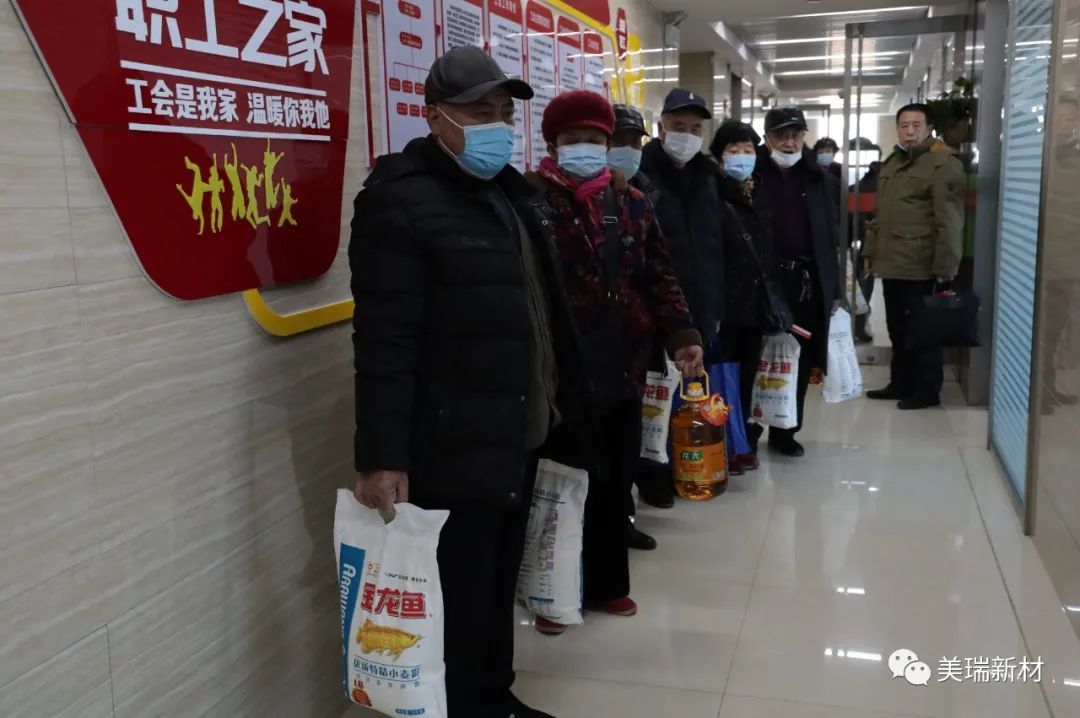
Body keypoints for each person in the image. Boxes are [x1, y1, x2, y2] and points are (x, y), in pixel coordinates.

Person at [349, 46, 588, 718]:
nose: (498, 127)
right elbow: (385, 339)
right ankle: (463, 705)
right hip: (451, 440)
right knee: (459, 587)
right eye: (480, 113)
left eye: (505, 114)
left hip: (517, 425)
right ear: (434, 117)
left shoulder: (510, 195)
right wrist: (381, 455)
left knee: (497, 578)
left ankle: (494, 694)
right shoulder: (397, 203)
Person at [525, 89, 703, 635]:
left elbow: (660, 274)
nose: (585, 148)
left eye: (594, 139)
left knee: (615, 477)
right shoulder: (530, 203)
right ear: (552, 144)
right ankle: (552, 592)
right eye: (572, 139)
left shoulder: (634, 202)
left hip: (624, 361)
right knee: (562, 480)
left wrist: (682, 335)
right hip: (559, 369)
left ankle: (606, 584)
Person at [636, 87, 725, 506]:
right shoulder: (642, 173)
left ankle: (685, 463)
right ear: (661, 127)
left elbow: (716, 243)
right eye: (678, 126)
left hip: (701, 300)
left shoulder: (708, 176)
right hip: (657, 305)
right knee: (655, 392)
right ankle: (652, 474)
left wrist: (716, 303)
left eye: (694, 129)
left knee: (690, 389)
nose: (686, 135)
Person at [863, 103, 965, 410]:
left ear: (928, 128)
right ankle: (900, 383)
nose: (909, 131)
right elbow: (878, 216)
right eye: (904, 125)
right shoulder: (893, 163)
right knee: (897, 329)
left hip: (922, 265)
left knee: (923, 331)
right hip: (892, 263)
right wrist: (870, 252)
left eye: (916, 125)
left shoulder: (942, 163)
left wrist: (946, 268)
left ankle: (927, 390)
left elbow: (949, 221)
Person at [755, 107, 844, 457]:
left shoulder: (818, 179)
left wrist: (834, 290)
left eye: (796, 135)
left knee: (800, 358)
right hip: (763, 279)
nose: (789, 143)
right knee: (758, 354)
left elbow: (830, 238)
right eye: (781, 135)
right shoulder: (754, 174)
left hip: (805, 280)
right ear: (768, 139)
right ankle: (749, 432)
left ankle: (786, 430)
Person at [709, 119, 786, 472]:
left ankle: (740, 443)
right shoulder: (712, 194)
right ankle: (722, 445)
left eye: (748, 149)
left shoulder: (759, 193)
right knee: (720, 380)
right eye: (733, 150)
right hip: (725, 306)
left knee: (745, 378)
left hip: (754, 306)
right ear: (719, 156)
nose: (742, 156)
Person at [608, 103, 655, 198]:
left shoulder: (646, 189)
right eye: (619, 141)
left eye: (635, 141)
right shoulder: (587, 191)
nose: (628, 149)